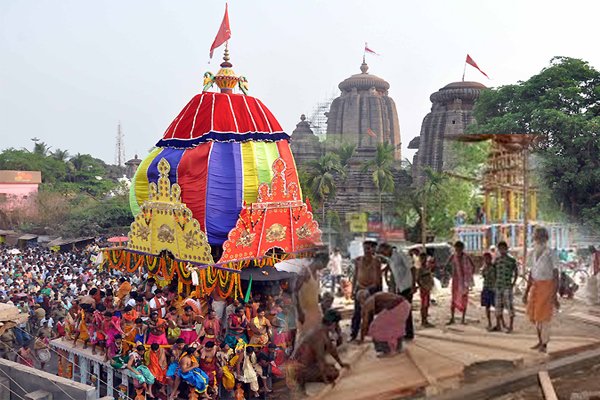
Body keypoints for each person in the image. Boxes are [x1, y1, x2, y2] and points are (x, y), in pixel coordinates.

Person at [289, 310, 349, 394]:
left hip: (304, 365)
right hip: (299, 370)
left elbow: (331, 349)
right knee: (333, 373)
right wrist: (325, 379)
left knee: (332, 367)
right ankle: (301, 384)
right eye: (337, 325)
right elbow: (320, 358)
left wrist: (341, 364)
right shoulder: (319, 335)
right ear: (333, 324)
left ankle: (307, 377)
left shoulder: (322, 330)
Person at [523, 227, 560, 353]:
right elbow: (531, 274)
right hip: (536, 287)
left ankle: (544, 345)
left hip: (547, 287)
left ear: (545, 238)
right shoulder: (533, 253)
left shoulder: (551, 253)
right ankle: (540, 341)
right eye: (536, 236)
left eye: (540, 236)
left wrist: (554, 295)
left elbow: (556, 274)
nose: (538, 238)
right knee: (536, 316)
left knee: (544, 318)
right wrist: (526, 292)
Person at [377, 243, 416, 338]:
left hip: (407, 286)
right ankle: (404, 331)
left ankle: (409, 333)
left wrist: (413, 285)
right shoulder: (390, 258)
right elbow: (389, 267)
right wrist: (384, 274)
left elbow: (412, 268)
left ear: (388, 249)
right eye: (381, 253)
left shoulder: (400, 254)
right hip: (399, 287)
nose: (383, 254)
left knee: (406, 310)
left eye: (383, 252)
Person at [350, 241, 382, 341]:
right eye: (365, 248)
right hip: (360, 288)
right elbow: (355, 275)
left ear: (373, 249)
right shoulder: (358, 260)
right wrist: (353, 290)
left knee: (370, 312)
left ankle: (368, 332)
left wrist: (379, 290)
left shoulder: (377, 261)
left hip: (372, 288)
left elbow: (379, 276)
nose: (366, 250)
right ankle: (353, 334)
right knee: (357, 312)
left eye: (368, 248)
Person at [446, 241, 474, 325]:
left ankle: (463, 319)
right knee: (454, 298)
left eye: (459, 248)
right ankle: (452, 318)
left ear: (462, 248)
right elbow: (446, 265)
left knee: (464, 298)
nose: (458, 250)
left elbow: (472, 266)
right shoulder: (453, 256)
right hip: (456, 280)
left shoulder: (466, 257)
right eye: (456, 248)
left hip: (464, 281)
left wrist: (469, 277)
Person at [493, 241, 518, 333]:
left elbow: (516, 272)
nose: (502, 250)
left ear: (507, 249)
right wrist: (495, 282)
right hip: (498, 286)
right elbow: (494, 271)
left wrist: (513, 283)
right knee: (498, 306)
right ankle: (498, 325)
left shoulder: (511, 260)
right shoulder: (497, 260)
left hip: (507, 286)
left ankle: (511, 326)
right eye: (500, 249)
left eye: (503, 248)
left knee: (510, 306)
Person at [416, 254, 436, 328]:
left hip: (427, 287)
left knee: (426, 304)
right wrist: (423, 286)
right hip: (424, 288)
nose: (424, 260)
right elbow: (417, 279)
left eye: (425, 258)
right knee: (424, 305)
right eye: (422, 259)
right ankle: (423, 321)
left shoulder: (427, 267)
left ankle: (425, 320)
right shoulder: (420, 268)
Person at [480, 252, 496, 330]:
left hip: (493, 289)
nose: (486, 260)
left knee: (496, 306)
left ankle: (498, 323)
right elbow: (483, 276)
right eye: (485, 259)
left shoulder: (494, 267)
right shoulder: (484, 268)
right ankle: (489, 322)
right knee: (487, 307)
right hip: (486, 288)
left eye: (488, 258)